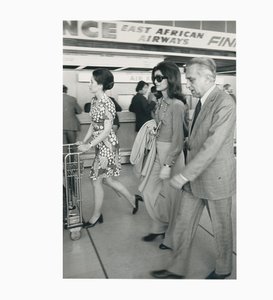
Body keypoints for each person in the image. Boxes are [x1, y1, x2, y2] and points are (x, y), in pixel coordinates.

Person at [151, 57, 236, 279]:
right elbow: (198, 137)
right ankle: (177, 268)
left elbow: (212, 145)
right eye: (187, 79)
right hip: (194, 177)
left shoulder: (224, 103)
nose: (187, 84)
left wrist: (183, 175)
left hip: (216, 177)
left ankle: (224, 269)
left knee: (221, 228)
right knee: (182, 222)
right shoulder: (199, 101)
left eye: (191, 79)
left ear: (209, 78)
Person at [77, 68, 143, 228]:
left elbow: (107, 130)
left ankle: (96, 215)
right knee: (107, 180)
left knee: (96, 180)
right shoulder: (94, 101)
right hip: (100, 144)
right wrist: (83, 141)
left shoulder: (108, 103)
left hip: (108, 145)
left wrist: (89, 145)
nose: (89, 84)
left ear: (100, 85)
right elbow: (94, 125)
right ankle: (133, 199)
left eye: (92, 81)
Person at [140, 61, 186, 250]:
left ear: (171, 79)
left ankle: (171, 236)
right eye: (154, 78)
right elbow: (161, 126)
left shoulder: (177, 105)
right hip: (158, 152)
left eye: (159, 78)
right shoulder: (160, 102)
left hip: (172, 156)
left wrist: (168, 164)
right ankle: (161, 225)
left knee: (173, 200)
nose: (155, 81)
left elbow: (178, 138)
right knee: (147, 190)